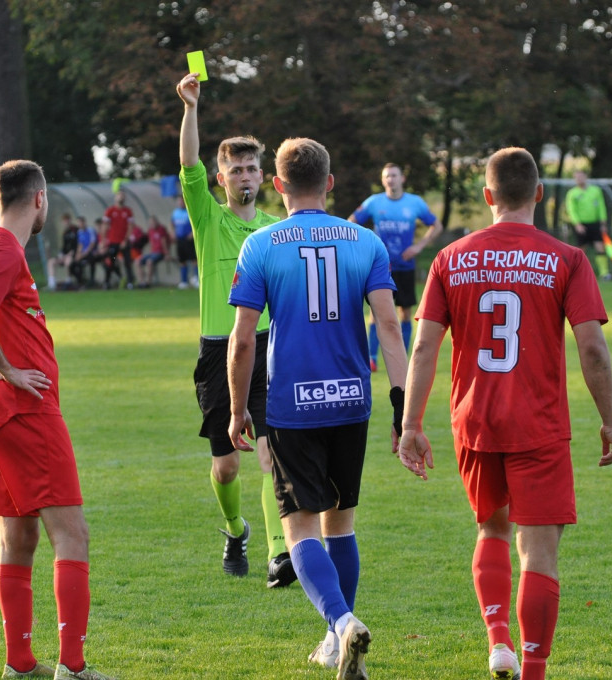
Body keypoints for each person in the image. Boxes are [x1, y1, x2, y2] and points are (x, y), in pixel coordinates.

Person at [398, 147, 612, 680]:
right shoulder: (566, 258)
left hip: (475, 422)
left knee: (492, 530)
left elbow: (424, 349)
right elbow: (592, 348)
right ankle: (532, 669)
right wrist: (610, 420)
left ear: (487, 197)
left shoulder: (451, 257)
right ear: (540, 195)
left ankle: (498, 638)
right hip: (539, 423)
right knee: (539, 554)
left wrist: (410, 425)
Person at [228, 137, 408, 679]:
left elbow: (242, 341)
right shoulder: (366, 242)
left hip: (291, 405)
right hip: (353, 400)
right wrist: (404, 411)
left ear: (277, 185)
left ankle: (341, 621)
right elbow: (392, 328)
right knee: (341, 522)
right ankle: (334, 642)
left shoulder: (260, 245)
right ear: (330, 184)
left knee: (299, 526)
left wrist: (237, 411)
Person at [0, 160, 115, 680]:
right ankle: (74, 670)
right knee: (72, 534)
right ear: (38, 199)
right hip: (24, 411)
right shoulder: (5, 249)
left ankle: (20, 665)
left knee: (19, 540)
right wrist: (8, 369)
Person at [177, 71, 294, 587]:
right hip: (216, 352)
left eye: (251, 168)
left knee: (272, 453)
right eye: (235, 169)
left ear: (263, 177)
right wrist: (190, 109)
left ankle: (278, 554)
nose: (244, 176)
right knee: (226, 467)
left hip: (268, 349)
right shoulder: (208, 218)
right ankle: (234, 529)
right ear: (221, 179)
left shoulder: (275, 229)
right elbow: (187, 164)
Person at [348, 163, 443, 371]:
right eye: (387, 176)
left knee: (405, 314)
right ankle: (372, 358)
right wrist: (367, 244)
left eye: (394, 175)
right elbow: (351, 222)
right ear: (383, 181)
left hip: (405, 266)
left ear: (402, 179)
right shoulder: (374, 202)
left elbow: (437, 225)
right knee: (375, 313)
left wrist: (419, 246)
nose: (390, 179)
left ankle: (404, 357)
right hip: (380, 267)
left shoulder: (414, 203)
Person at [565, 170, 612, 280]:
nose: (579, 179)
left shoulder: (595, 191)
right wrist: (577, 224)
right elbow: (571, 210)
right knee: (581, 251)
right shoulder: (572, 193)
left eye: (581, 176)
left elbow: (601, 207)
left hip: (595, 223)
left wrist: (603, 223)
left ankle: (604, 273)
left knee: (600, 247)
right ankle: (580, 274)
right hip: (581, 225)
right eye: (577, 177)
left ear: (586, 177)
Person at [102, 190, 136, 289]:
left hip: (124, 242)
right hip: (113, 241)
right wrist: (104, 241)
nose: (121, 197)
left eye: (123, 196)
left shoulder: (128, 211)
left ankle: (130, 282)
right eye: (119, 195)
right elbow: (105, 226)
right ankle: (107, 282)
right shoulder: (110, 211)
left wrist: (125, 240)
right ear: (115, 197)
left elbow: (130, 227)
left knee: (127, 262)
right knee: (110, 262)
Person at [135, 216, 172, 287]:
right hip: (152, 253)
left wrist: (167, 254)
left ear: (157, 222)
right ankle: (141, 282)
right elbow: (150, 242)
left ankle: (148, 282)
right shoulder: (150, 230)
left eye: (153, 222)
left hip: (160, 253)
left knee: (149, 262)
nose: (152, 224)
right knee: (137, 261)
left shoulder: (161, 229)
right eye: (150, 223)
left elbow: (164, 241)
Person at [47, 213, 80, 291]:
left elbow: (77, 245)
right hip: (65, 255)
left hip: (72, 255)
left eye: (67, 220)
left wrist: (71, 253)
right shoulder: (65, 233)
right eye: (64, 221)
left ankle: (68, 281)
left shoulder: (75, 230)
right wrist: (61, 254)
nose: (65, 222)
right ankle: (52, 284)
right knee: (51, 262)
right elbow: (64, 247)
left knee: (67, 261)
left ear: (69, 220)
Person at [171, 195, 198, 289]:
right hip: (180, 240)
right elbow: (172, 224)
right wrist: (173, 233)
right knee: (182, 260)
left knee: (194, 259)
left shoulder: (189, 211)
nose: (180, 203)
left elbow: (195, 223)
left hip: (189, 240)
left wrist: (192, 233)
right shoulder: (175, 213)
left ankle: (197, 279)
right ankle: (184, 281)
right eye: (179, 201)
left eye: (182, 201)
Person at [70, 217, 99, 288]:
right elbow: (80, 244)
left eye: (81, 222)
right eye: (78, 223)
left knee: (91, 261)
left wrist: (83, 254)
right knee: (73, 265)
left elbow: (92, 244)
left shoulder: (90, 230)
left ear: (84, 223)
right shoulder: (79, 232)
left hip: (90, 252)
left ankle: (92, 281)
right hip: (83, 254)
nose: (80, 224)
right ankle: (80, 282)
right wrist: (78, 254)